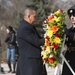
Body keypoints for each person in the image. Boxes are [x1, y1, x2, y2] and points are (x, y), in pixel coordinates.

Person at [16, 7, 47, 75]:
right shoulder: (25, 28)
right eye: (34, 16)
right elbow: (37, 42)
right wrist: (50, 38)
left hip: (33, 63)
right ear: (29, 16)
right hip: (29, 64)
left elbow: (39, 39)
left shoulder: (30, 27)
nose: (36, 19)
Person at [62, 5, 75, 75]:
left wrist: (69, 34)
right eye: (70, 16)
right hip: (68, 56)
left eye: (74, 15)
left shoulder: (69, 31)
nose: (72, 17)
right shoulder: (70, 30)